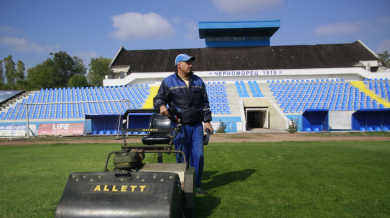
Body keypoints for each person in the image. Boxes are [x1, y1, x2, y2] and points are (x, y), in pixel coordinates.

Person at [153, 54, 213, 195]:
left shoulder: (198, 81)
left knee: (198, 155)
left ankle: (196, 184)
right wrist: (161, 105)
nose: (191, 65)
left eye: (191, 62)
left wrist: (208, 121)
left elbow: (205, 103)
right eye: (188, 62)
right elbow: (158, 98)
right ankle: (182, 184)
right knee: (182, 156)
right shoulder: (168, 82)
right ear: (179, 64)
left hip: (197, 125)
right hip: (179, 126)